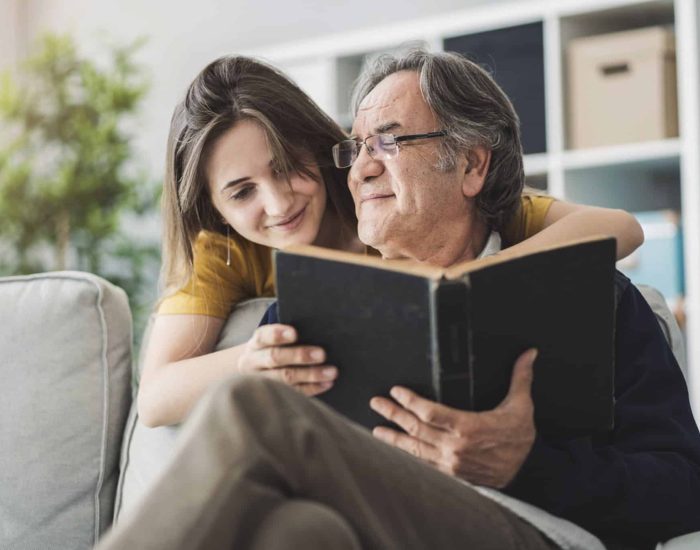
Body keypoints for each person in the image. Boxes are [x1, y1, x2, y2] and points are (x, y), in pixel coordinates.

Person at [99, 50, 700, 550]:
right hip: (379, 526)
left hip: (530, 528)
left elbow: (682, 488)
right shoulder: (309, 310)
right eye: (354, 149)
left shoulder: (597, 298)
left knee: (255, 411)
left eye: (386, 143)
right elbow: (161, 396)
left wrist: (525, 463)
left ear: (470, 163)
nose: (357, 171)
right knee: (296, 532)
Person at [137, 55, 644, 428]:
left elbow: (621, 226)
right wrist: (251, 363)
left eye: (288, 168)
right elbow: (156, 398)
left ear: (317, 150)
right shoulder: (227, 250)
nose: (278, 203)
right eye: (242, 191)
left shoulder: (394, 192)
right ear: (215, 210)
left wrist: (474, 284)